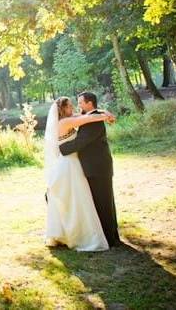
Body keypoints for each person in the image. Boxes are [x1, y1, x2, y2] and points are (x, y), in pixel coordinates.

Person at [44, 96, 116, 251]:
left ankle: (70, 232)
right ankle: (78, 234)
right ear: (62, 110)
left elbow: (88, 114)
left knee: (74, 201)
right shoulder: (65, 122)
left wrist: (105, 111)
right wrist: (106, 116)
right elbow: (89, 118)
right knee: (76, 201)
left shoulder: (68, 119)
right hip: (69, 165)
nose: (74, 108)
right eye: (70, 106)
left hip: (72, 163)